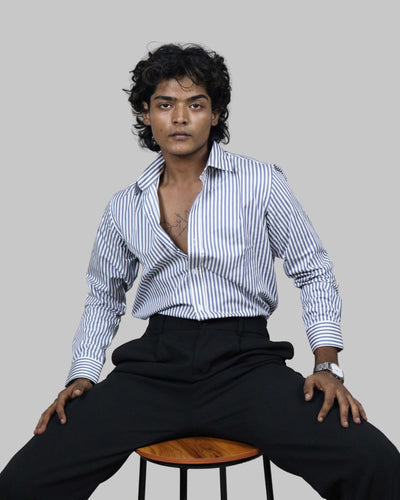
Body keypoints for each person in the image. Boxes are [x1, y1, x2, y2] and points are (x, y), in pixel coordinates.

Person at [0, 43, 399, 499]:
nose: (180, 117)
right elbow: (104, 296)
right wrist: (82, 375)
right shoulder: (124, 205)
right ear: (146, 114)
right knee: (22, 482)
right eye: (164, 104)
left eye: (195, 104)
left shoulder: (261, 182)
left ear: (215, 114)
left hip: (246, 365)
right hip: (154, 368)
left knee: (378, 465)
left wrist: (327, 365)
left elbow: (314, 271)